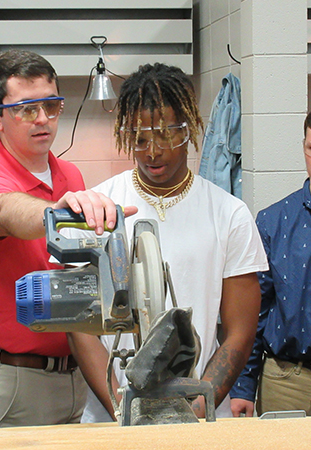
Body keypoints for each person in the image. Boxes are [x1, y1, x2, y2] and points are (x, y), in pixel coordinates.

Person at [69, 63, 267, 422]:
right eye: (140, 138)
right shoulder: (100, 207)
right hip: (111, 414)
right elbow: (82, 327)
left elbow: (239, 332)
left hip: (199, 414)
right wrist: (120, 406)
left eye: (165, 136)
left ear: (188, 129)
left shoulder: (229, 214)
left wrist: (198, 406)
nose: (152, 152)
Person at [0, 50, 129, 429]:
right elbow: (4, 212)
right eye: (26, 109)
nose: (43, 120)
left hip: (75, 372)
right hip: (16, 382)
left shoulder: (70, 176)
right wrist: (56, 212)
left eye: (51, 107)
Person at [229, 102, 311, 417]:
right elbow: (256, 311)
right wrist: (243, 387)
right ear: (304, 149)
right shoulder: (273, 220)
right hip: (285, 378)